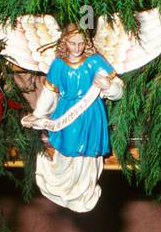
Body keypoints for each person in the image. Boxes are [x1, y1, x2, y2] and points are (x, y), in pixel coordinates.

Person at [22, 23, 124, 211]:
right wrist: (38, 115)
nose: (77, 48)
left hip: (92, 113)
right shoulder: (58, 65)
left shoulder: (95, 61)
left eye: (81, 43)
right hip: (68, 112)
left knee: (88, 155)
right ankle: (65, 188)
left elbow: (119, 91)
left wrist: (108, 87)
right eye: (72, 43)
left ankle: (85, 192)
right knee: (69, 150)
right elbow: (49, 93)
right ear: (64, 43)